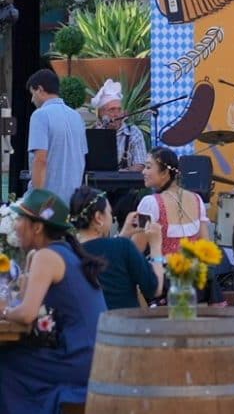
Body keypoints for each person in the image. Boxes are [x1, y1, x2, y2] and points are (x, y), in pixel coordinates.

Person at [0, 189, 107, 414]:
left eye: (20, 219)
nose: (15, 225)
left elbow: (27, 313)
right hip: (94, 356)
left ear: (37, 227)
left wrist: (5, 311)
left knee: (6, 363)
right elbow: (25, 299)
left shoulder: (47, 257)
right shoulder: (62, 251)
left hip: (79, 360)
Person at [135, 147, 224, 304]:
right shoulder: (197, 200)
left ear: (164, 173)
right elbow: (206, 245)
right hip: (197, 282)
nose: (143, 172)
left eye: (148, 167)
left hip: (165, 282)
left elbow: (136, 250)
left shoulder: (149, 203)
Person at [69, 185, 164, 309]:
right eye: (109, 212)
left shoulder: (68, 252)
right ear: (99, 218)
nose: (112, 218)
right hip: (123, 324)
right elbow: (154, 289)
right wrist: (156, 246)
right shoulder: (123, 246)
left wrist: (123, 235)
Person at [25, 68, 88, 203]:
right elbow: (82, 158)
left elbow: (40, 160)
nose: (32, 100)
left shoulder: (40, 115)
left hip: (49, 202)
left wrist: (37, 200)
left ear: (40, 90)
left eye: (32, 94)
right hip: (73, 200)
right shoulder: (77, 117)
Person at [91, 78, 147, 172]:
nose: (117, 114)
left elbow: (140, 165)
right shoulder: (93, 133)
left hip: (126, 185)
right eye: (112, 110)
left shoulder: (133, 132)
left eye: (119, 109)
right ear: (101, 113)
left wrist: (121, 174)